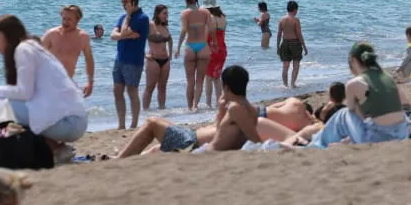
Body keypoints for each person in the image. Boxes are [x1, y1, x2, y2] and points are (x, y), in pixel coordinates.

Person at [0, 14, 89, 157]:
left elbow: (24, 94)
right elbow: (24, 96)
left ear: (8, 36)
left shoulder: (23, 50)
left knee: (1, 107)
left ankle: (52, 149)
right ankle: (56, 148)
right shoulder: (30, 47)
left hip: (69, 123)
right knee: (5, 105)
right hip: (73, 120)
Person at [117, 65, 295, 157]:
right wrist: (220, 109)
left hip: (192, 144)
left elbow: (254, 139)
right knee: (159, 134)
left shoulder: (236, 108)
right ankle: (124, 156)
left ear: (226, 86)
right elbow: (222, 130)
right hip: (193, 140)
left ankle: (119, 160)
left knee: (151, 123)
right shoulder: (248, 107)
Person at [310, 43, 410, 146]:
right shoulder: (388, 77)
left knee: (343, 114)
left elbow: (354, 116)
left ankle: (317, 144)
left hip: (376, 137)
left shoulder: (354, 83)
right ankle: (345, 141)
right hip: (401, 133)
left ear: (353, 59)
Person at [110, 0, 150, 130]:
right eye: (122, 2)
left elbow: (124, 31)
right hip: (120, 59)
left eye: (126, 2)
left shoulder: (142, 18)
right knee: (117, 91)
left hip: (133, 60)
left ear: (133, 1)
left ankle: (133, 124)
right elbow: (112, 35)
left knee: (132, 91)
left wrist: (127, 20)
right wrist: (124, 35)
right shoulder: (121, 17)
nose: (123, 4)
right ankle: (121, 124)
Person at [40, 5, 94, 99]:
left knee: (74, 112)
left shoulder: (83, 37)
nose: (65, 22)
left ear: (78, 20)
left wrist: (90, 82)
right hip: (48, 82)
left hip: (68, 82)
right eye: (64, 18)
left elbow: (89, 60)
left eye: (69, 19)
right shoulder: (52, 34)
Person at [178, 0, 212, 111]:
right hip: (203, 46)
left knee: (190, 81)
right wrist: (214, 44)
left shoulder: (185, 13)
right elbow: (211, 29)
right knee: (200, 80)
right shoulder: (205, 12)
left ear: (186, 0)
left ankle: (189, 107)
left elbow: (183, 31)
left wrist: (177, 48)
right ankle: (195, 105)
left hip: (190, 46)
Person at [142, 4, 173, 112]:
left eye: (167, 14)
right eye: (164, 13)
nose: (166, 16)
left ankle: (162, 110)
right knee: (150, 87)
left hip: (165, 60)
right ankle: (145, 112)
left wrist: (170, 54)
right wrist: (144, 55)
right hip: (153, 60)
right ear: (157, 13)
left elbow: (170, 39)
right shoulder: (150, 25)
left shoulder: (165, 26)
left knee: (162, 87)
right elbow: (139, 40)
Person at [201, 0, 227, 109]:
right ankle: (219, 102)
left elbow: (206, 37)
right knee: (217, 77)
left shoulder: (209, 19)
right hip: (222, 50)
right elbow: (222, 35)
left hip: (211, 50)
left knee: (208, 78)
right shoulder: (223, 18)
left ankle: (208, 103)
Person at [276, 0, 306, 89]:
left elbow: (278, 34)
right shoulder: (295, 20)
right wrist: (304, 46)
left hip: (284, 43)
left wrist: (278, 47)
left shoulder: (281, 20)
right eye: (297, 10)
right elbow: (299, 34)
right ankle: (292, 84)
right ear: (294, 9)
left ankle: (285, 85)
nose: (297, 12)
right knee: (296, 65)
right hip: (295, 43)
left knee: (285, 66)